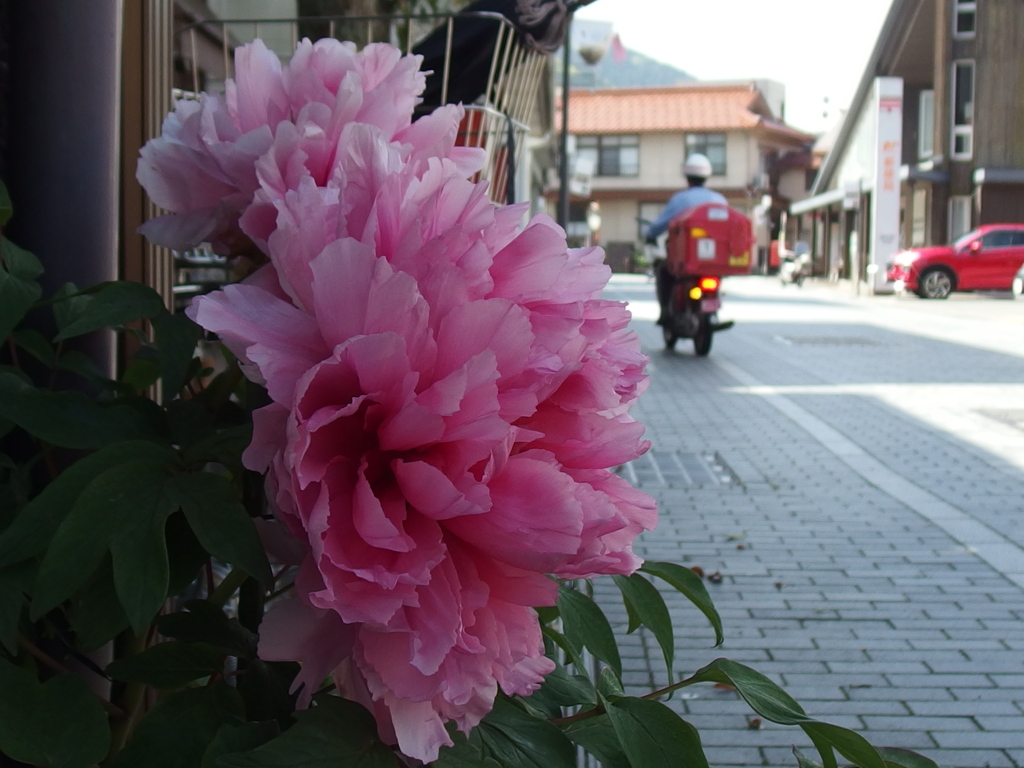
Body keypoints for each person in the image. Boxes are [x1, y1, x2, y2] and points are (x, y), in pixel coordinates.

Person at [645, 153, 727, 324]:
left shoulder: (680, 199)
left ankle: (666, 312)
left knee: (663, 270)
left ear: (687, 176)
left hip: (684, 262)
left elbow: (658, 226)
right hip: (714, 262)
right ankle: (713, 311)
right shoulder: (720, 200)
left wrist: (650, 235)